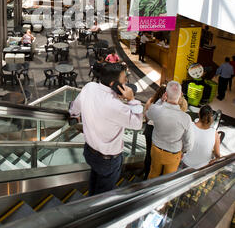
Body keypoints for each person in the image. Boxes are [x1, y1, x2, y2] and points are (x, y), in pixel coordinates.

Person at [69, 63, 143, 196]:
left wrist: (74, 115)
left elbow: (74, 108)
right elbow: (137, 123)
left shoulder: (89, 87)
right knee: (103, 193)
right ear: (113, 84)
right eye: (124, 79)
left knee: (95, 178)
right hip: (108, 160)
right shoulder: (116, 106)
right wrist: (132, 99)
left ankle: (90, 199)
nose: (126, 81)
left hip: (90, 152)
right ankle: (97, 212)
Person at [146, 81, 194, 179]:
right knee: (167, 179)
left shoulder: (156, 109)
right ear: (180, 95)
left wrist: (160, 101)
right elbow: (189, 141)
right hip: (173, 154)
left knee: (153, 173)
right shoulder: (186, 118)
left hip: (156, 150)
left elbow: (148, 114)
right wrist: (183, 151)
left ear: (166, 94)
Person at [143, 84, 167, 180]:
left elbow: (146, 116)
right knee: (155, 155)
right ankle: (152, 176)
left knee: (148, 153)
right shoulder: (164, 105)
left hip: (148, 129)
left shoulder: (150, 101)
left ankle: (146, 173)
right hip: (156, 131)